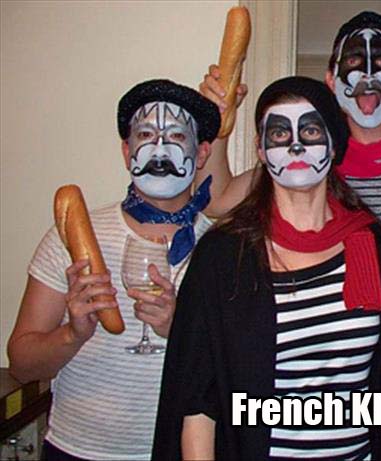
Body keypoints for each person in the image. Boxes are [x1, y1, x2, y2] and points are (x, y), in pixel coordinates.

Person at [153, 76, 381, 461]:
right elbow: (197, 401)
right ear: (260, 149)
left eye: (310, 131)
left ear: (334, 144)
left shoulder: (377, 247)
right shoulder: (223, 256)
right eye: (278, 133)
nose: (295, 145)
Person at [7, 79, 221, 460]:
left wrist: (179, 330)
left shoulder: (225, 249)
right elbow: (22, 366)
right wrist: (73, 334)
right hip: (77, 451)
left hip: (182, 451)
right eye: (145, 135)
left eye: (175, 136)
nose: (159, 149)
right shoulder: (71, 238)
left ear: (202, 152)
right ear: (126, 151)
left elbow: (237, 373)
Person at [199, 11, 381, 235]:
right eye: (353, 61)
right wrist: (218, 115)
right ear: (332, 81)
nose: (367, 75)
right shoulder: (313, 153)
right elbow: (214, 200)